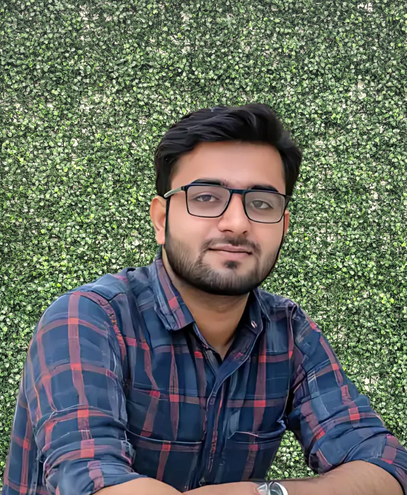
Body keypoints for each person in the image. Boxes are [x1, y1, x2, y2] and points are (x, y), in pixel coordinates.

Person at [2, 104, 406, 495]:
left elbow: (386, 467)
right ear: (161, 219)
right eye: (207, 197)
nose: (237, 223)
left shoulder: (289, 334)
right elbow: (90, 480)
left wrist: (266, 493)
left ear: (283, 226)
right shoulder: (89, 319)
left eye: (261, 203)